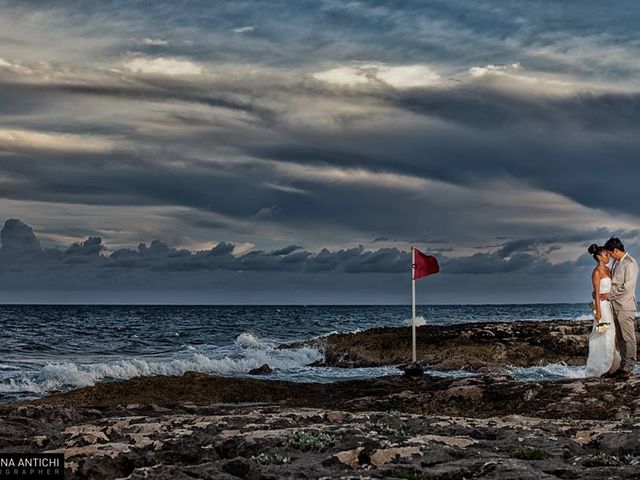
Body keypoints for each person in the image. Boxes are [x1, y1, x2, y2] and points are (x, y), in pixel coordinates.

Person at [600, 237, 638, 380]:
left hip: (625, 306)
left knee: (628, 337)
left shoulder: (631, 263)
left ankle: (628, 368)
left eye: (610, 253)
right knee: (620, 338)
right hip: (614, 306)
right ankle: (623, 366)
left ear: (616, 250)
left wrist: (609, 295)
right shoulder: (616, 262)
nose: (609, 256)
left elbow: (627, 287)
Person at [585, 244, 620, 377]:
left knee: (611, 335)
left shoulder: (608, 270)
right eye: (606, 255)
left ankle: (611, 366)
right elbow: (596, 293)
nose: (609, 257)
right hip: (602, 307)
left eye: (609, 254)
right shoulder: (596, 272)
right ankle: (602, 368)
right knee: (604, 334)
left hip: (609, 305)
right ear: (599, 257)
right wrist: (597, 312)